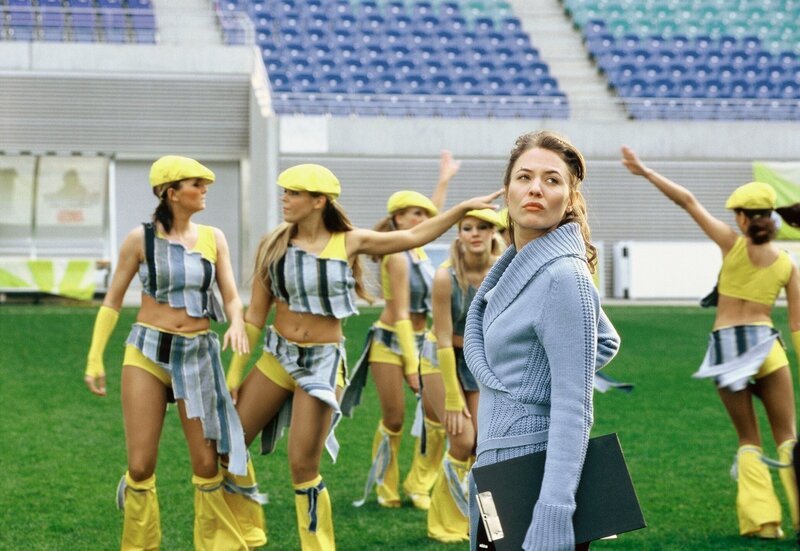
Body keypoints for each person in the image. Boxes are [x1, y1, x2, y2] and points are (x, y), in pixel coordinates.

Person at [225, 162, 501, 550]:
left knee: (303, 466)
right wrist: (234, 375)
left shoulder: (349, 241)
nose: (284, 199)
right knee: (228, 443)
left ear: (319, 201)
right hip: (276, 356)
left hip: (321, 364)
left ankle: (317, 546)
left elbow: (414, 235)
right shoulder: (273, 243)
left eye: (293, 193)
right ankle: (243, 533)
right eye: (284, 192)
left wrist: (461, 209)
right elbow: (255, 316)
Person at [83, 156, 265, 550]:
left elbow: (232, 296)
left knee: (205, 464)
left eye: (204, 184)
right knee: (140, 465)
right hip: (147, 352)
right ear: (171, 192)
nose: (204, 191)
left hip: (198, 355)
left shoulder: (214, 238)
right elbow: (112, 301)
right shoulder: (140, 239)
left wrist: (236, 320)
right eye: (196, 184)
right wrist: (95, 357)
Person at [621, 146, 800, 539]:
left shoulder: (731, 244)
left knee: (748, 439)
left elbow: (687, 200)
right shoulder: (788, 264)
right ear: (770, 219)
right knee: (788, 436)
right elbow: (797, 325)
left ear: (739, 217)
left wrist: (646, 171)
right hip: (766, 346)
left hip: (727, 349)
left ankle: (763, 523)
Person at [464, 131, 621, 551]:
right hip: (501, 470)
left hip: (539, 481)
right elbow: (601, 340)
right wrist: (541, 375)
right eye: (524, 177)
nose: (536, 187)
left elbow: (575, 408)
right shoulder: (518, 267)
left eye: (552, 180)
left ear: (570, 198)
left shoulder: (563, 278)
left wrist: (554, 513)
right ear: (508, 190)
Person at [344, 151, 462, 511]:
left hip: (424, 342)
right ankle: (386, 485)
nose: (424, 219)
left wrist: (444, 180)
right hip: (391, 342)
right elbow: (397, 312)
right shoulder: (397, 255)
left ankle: (418, 483)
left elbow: (436, 214)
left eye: (425, 215)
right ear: (397, 219)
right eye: (415, 214)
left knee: (436, 419)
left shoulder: (419, 249)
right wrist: (411, 366)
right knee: (394, 419)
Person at [420, 208, 505, 542]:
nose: (475, 234)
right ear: (458, 234)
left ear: (493, 233)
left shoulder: (502, 271)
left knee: (484, 444)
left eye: (483, 227)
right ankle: (445, 521)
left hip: (478, 361)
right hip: (440, 360)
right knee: (461, 438)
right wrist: (454, 401)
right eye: (467, 227)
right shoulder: (445, 277)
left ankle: (483, 523)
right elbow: (442, 338)